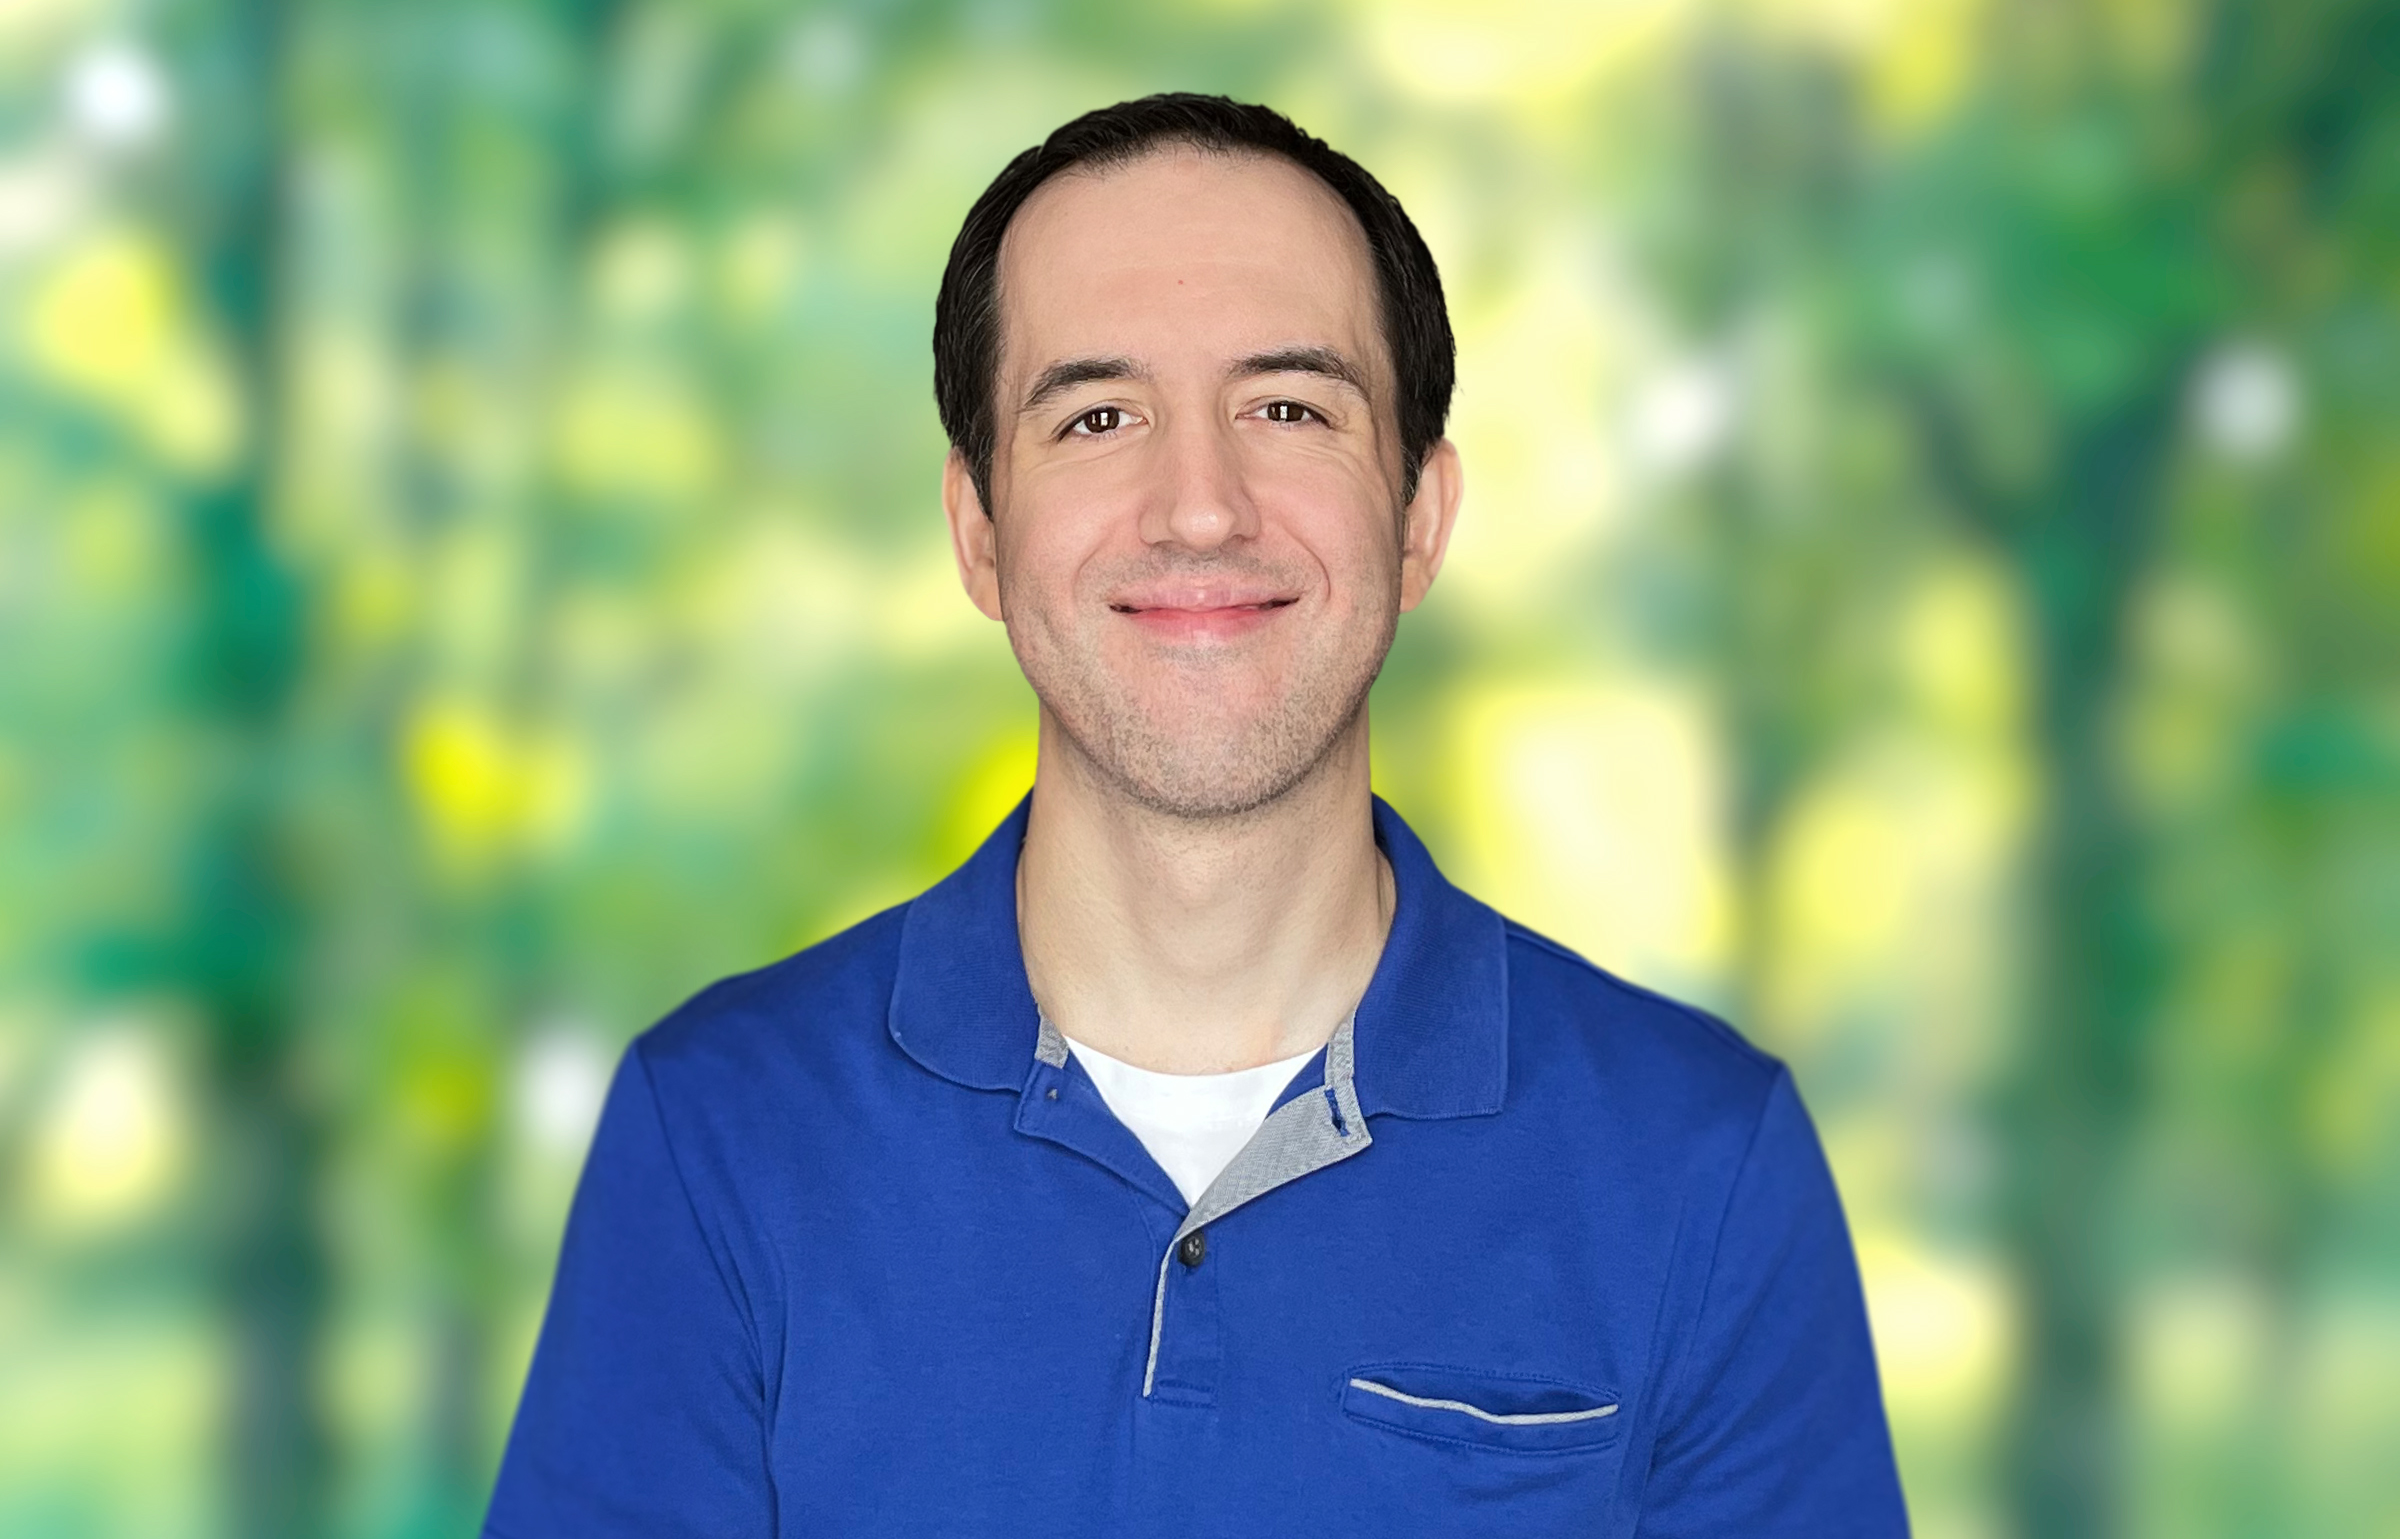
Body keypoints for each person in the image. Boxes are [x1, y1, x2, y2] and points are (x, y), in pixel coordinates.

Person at [484, 92, 1909, 1538]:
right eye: (1100, 416)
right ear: (979, 530)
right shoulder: (719, 1133)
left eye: (1287, 407)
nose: (1201, 507)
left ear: (1418, 514)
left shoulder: (1701, 1166)